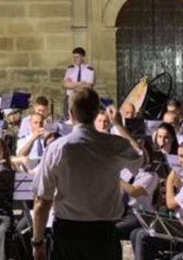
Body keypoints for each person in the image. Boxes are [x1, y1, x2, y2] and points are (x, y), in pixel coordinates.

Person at [32, 86, 142, 260]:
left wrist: (37, 242)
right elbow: (141, 158)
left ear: (71, 114)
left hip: (68, 234)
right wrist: (118, 125)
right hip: (103, 235)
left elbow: (42, 201)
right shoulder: (114, 145)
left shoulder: (56, 149)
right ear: (95, 113)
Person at [114, 139, 159, 240]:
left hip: (139, 215)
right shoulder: (126, 171)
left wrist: (114, 175)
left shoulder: (151, 175)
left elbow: (134, 191)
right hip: (122, 211)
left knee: (113, 230)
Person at [61, 47, 94, 118]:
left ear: (82, 57)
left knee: (82, 117)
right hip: (70, 97)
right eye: (74, 57)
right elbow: (65, 84)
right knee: (68, 117)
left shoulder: (89, 70)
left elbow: (89, 86)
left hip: (83, 98)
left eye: (77, 57)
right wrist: (81, 83)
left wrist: (72, 84)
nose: (75, 59)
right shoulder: (70, 69)